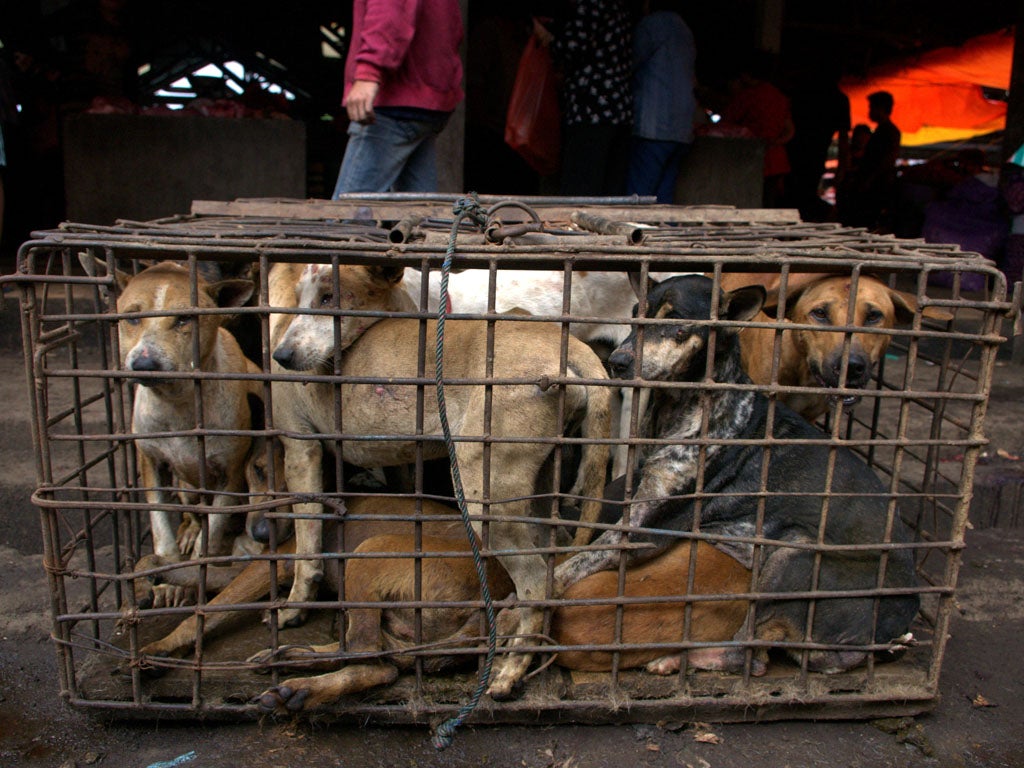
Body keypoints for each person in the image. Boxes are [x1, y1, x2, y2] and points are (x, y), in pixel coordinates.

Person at [331, 0, 464, 196]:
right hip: (427, 97)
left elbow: (389, 9)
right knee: (420, 216)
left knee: (348, 215)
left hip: (396, 97)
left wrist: (369, 71)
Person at [535, 0, 633, 197]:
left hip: (592, 108)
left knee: (581, 188)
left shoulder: (591, 5)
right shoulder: (618, 8)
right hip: (618, 108)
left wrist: (547, 38)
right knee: (608, 189)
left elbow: (572, 48)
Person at [624, 0, 697, 204]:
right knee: (664, 197)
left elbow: (629, 61)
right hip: (681, 127)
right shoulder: (684, 28)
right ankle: (666, 233)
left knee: (639, 198)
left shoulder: (652, 25)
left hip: (655, 124)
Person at [714, 50, 794, 207]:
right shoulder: (779, 96)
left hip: (753, 159)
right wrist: (774, 142)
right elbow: (790, 131)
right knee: (768, 205)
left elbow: (724, 124)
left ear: (746, 74)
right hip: (777, 160)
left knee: (747, 205)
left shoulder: (748, 96)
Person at [784, 65, 851, 221]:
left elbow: (843, 137)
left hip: (801, 155)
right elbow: (843, 138)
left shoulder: (802, 94)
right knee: (800, 197)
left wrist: (842, 167)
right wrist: (842, 168)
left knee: (798, 197)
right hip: (805, 155)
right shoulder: (837, 98)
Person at [838, 90, 901, 230]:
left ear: (881, 108)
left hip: (877, 186)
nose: (870, 111)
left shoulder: (889, 132)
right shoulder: (881, 132)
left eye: (872, 107)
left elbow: (885, 161)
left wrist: (869, 180)